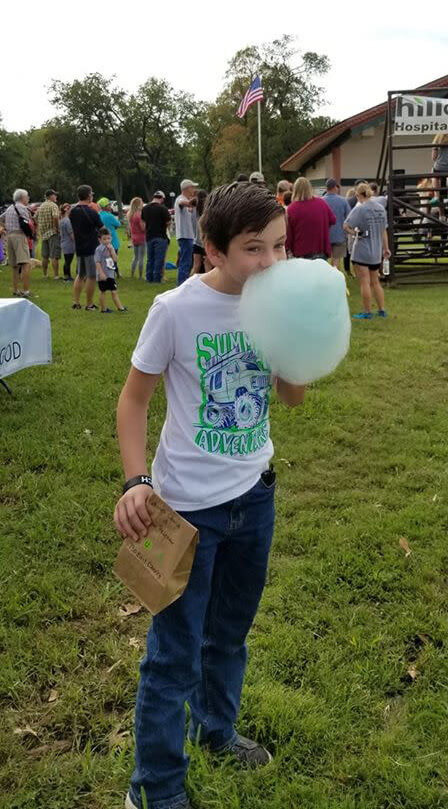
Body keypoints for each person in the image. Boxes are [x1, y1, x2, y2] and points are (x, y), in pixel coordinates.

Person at [114, 181, 306, 809]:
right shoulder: (175, 310)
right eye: (255, 248)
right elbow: (133, 401)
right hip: (183, 511)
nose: (271, 261)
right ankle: (155, 788)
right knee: (173, 656)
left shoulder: (275, 303)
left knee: (229, 635)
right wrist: (137, 482)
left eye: (279, 246)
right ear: (215, 250)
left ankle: (216, 730)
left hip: (255, 497)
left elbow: (292, 397)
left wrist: (295, 344)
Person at [343, 182, 390, 319]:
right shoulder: (381, 209)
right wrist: (386, 248)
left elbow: (345, 225)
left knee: (364, 282)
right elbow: (383, 230)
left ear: (358, 195)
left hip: (362, 250)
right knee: (375, 282)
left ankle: (367, 311)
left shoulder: (360, 209)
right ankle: (381, 310)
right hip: (376, 251)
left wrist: (355, 233)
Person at [69, 185, 103, 310]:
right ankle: (89, 304)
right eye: (92, 194)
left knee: (80, 275)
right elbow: (102, 228)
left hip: (79, 246)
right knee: (91, 276)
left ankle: (76, 302)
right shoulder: (91, 212)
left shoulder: (72, 211)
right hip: (91, 247)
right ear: (89, 195)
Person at [286, 177, 336, 260]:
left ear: (295, 190)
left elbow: (288, 234)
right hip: (320, 250)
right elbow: (333, 220)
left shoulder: (291, 209)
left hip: (301, 252)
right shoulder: (321, 203)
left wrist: (288, 249)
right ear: (310, 188)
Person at [0, 189, 32, 297]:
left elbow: (1, 218)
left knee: (14, 265)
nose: (28, 198)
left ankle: (15, 289)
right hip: (19, 235)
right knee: (26, 263)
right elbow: (27, 223)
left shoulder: (10, 208)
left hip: (9, 236)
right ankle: (26, 290)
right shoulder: (23, 208)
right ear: (22, 198)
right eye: (27, 196)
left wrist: (4, 228)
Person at [95, 227, 127, 313]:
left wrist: (112, 250)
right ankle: (103, 309)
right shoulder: (98, 249)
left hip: (110, 274)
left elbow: (115, 260)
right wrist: (101, 273)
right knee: (103, 291)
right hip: (102, 275)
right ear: (100, 240)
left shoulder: (111, 247)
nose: (107, 241)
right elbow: (97, 262)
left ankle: (120, 308)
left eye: (108, 238)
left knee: (114, 291)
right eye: (104, 239)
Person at [142, 191, 171, 283]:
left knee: (150, 259)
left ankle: (149, 277)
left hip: (149, 236)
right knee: (159, 258)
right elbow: (168, 222)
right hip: (161, 236)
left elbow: (143, 224)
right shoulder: (163, 208)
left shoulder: (145, 208)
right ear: (162, 198)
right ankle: (157, 278)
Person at [323, 179, 351, 269]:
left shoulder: (321, 201)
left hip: (325, 236)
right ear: (335, 187)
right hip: (340, 236)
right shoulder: (343, 201)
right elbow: (349, 217)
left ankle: (325, 276)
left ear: (326, 188)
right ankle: (334, 276)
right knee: (336, 262)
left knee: (323, 261)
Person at [174, 179, 198, 286]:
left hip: (188, 235)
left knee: (187, 261)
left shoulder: (186, 199)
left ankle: (183, 282)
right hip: (184, 235)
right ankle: (181, 283)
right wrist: (189, 203)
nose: (194, 189)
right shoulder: (181, 199)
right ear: (187, 188)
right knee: (185, 261)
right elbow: (181, 203)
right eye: (192, 187)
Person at [36, 189, 61, 279]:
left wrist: (40, 226)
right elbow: (55, 217)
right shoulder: (53, 205)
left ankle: (45, 274)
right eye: (55, 195)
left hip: (43, 234)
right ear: (51, 196)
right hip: (52, 232)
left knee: (45, 256)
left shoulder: (41, 206)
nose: (56, 196)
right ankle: (56, 275)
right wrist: (57, 228)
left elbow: (35, 217)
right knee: (54, 255)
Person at [97, 198, 121, 277]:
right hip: (112, 240)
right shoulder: (109, 216)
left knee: (103, 259)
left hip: (101, 241)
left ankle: (107, 272)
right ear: (105, 206)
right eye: (109, 205)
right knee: (113, 258)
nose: (110, 206)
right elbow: (118, 224)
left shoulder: (98, 215)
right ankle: (113, 273)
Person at [191, 189, 210, 274]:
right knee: (207, 265)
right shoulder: (207, 211)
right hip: (206, 241)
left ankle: (191, 281)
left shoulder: (194, 210)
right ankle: (207, 282)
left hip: (196, 241)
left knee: (196, 266)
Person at [127, 197, 146, 279]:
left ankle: (132, 274)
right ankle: (140, 276)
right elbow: (143, 228)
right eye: (141, 203)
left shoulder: (130, 214)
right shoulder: (139, 215)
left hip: (134, 237)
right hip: (141, 237)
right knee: (141, 257)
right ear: (138, 205)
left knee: (135, 257)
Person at [59, 203, 75, 281]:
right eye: (70, 209)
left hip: (63, 242)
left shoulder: (61, 220)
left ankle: (67, 276)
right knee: (68, 261)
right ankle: (67, 277)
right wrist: (76, 241)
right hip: (69, 243)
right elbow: (71, 233)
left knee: (67, 260)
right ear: (66, 210)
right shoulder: (67, 221)